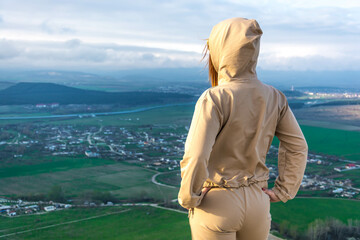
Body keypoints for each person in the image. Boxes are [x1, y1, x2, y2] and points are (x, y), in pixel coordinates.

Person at [177, 17, 308, 240]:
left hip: (216, 202)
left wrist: (188, 198)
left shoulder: (214, 98)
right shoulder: (275, 97)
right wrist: (283, 190)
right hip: (258, 202)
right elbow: (298, 146)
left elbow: (197, 155)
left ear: (220, 49)